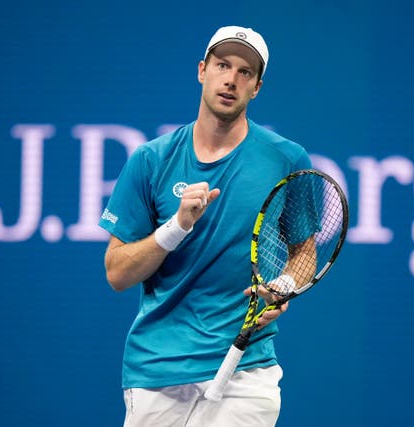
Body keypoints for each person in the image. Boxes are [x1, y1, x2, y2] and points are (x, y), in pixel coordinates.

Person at [99, 25, 312, 427]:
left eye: (245, 72)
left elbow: (304, 252)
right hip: (158, 369)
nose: (231, 79)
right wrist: (174, 228)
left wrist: (283, 288)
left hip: (246, 371)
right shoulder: (150, 160)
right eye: (222, 65)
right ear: (202, 70)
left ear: (257, 88)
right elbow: (117, 273)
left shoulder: (287, 159)